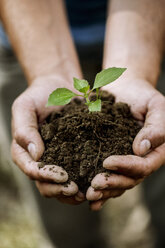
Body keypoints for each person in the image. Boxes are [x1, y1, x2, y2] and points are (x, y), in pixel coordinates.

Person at [0, 0, 165, 247]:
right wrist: (48, 72)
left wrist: (136, 71)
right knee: (67, 229)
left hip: (153, 30)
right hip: (27, 37)